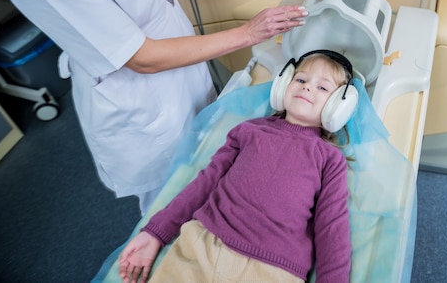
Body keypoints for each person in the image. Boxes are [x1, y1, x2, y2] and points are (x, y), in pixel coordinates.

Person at [0, 0, 332, 214]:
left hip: (179, 48)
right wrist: (249, 33)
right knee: (169, 203)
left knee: (214, 158)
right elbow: (140, 57)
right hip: (132, 83)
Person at [117, 51, 355, 283]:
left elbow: (332, 226)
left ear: (338, 107)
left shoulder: (329, 158)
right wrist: (156, 232)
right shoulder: (249, 131)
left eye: (323, 87)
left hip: (273, 269)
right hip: (201, 244)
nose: (307, 87)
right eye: (301, 79)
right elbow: (205, 182)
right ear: (283, 84)